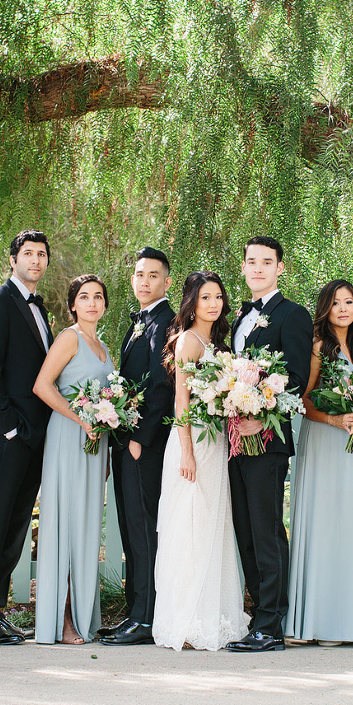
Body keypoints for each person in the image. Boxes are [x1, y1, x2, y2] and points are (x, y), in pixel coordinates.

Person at [225, 237, 314, 653]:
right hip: (234, 439)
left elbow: (295, 378)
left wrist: (261, 416)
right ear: (243, 268)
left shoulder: (293, 315)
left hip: (267, 438)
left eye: (266, 262)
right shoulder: (239, 317)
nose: (257, 268)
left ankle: (272, 624)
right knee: (244, 528)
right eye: (251, 262)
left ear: (281, 268)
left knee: (266, 530)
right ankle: (257, 614)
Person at [153, 271, 250, 651]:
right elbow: (181, 401)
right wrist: (188, 451)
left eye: (218, 297)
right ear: (191, 302)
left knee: (212, 526)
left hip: (216, 445)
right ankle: (186, 620)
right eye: (205, 297)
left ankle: (211, 614)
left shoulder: (219, 345)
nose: (213, 304)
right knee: (189, 527)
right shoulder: (189, 343)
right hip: (191, 443)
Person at [0, 231, 55, 645]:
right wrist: (8, 425)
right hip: (8, 434)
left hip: (35, 437)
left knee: (17, 524)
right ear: (13, 259)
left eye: (41, 255)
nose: (35, 261)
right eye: (28, 254)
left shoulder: (41, 311)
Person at [286, 279, 353, 646]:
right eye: (336, 302)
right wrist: (336, 419)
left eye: (349, 302)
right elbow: (304, 401)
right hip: (325, 441)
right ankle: (315, 622)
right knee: (324, 526)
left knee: (351, 529)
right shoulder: (319, 346)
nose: (343, 308)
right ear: (325, 307)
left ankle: (345, 623)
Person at [32, 275, 115, 645]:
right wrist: (80, 418)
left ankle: (84, 616)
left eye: (98, 297)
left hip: (96, 445)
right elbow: (42, 385)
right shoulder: (70, 338)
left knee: (85, 528)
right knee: (65, 526)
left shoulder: (104, 346)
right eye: (85, 297)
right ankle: (63, 620)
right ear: (73, 305)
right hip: (68, 437)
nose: (92, 303)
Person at [100, 248, 175, 646]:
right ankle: (135, 613)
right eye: (139, 274)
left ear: (166, 282)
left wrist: (137, 440)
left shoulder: (165, 322)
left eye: (152, 275)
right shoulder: (138, 324)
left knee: (145, 531)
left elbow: (162, 387)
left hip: (145, 446)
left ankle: (146, 619)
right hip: (124, 442)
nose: (144, 281)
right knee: (131, 531)